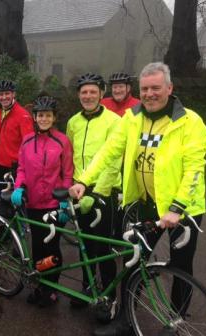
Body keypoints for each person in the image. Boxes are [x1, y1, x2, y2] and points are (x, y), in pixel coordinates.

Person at [69, 62, 206, 336]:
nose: (150, 94)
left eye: (156, 88)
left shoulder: (190, 122)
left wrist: (176, 207)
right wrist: (84, 180)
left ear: (170, 88)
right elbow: (109, 152)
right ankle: (125, 319)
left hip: (184, 209)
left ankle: (176, 321)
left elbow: (195, 169)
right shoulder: (132, 118)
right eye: (145, 89)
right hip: (147, 204)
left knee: (181, 266)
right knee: (133, 260)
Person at [66, 73, 122, 321]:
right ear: (79, 95)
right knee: (84, 244)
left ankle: (109, 297)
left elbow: (114, 161)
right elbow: (69, 157)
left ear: (102, 93)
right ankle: (88, 286)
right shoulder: (73, 122)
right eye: (83, 92)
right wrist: (71, 185)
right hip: (79, 189)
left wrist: (99, 193)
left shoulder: (114, 120)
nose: (87, 96)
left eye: (92, 92)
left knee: (103, 246)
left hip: (104, 192)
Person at [10, 96, 73, 307]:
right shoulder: (27, 140)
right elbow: (21, 168)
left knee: (52, 247)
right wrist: (19, 187)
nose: (43, 119)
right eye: (40, 115)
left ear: (54, 118)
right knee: (37, 246)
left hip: (55, 204)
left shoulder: (62, 141)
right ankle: (40, 284)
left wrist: (64, 199)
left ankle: (52, 288)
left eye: (48, 115)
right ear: (35, 118)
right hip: (34, 204)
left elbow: (67, 173)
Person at [0, 80, 34, 183]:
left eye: (7, 93)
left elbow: (28, 144)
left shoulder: (23, 115)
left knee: (9, 199)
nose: (4, 97)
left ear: (13, 94)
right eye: (1, 94)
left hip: (12, 167)